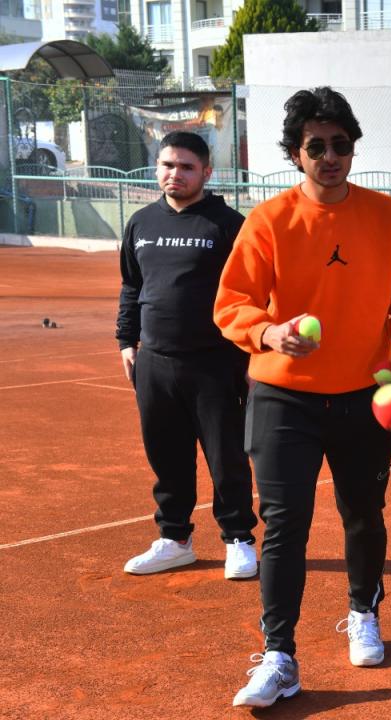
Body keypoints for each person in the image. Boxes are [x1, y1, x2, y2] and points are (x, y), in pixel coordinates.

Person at [213, 87, 391, 708]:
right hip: (282, 398)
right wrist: (269, 331)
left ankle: (364, 609)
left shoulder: (386, 215)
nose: (330, 156)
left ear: (352, 149)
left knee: (364, 515)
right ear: (294, 153)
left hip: (365, 395)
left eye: (341, 145)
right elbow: (232, 303)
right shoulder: (269, 221)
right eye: (317, 146)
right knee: (285, 526)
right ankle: (280, 655)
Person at [115, 131, 258, 581]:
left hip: (215, 362)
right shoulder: (140, 223)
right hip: (154, 362)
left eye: (186, 167)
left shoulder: (227, 225)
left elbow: (253, 293)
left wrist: (251, 355)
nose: (174, 174)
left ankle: (239, 539)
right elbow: (132, 287)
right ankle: (175, 540)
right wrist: (126, 342)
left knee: (225, 456)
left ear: (206, 173)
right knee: (166, 455)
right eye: (167, 165)